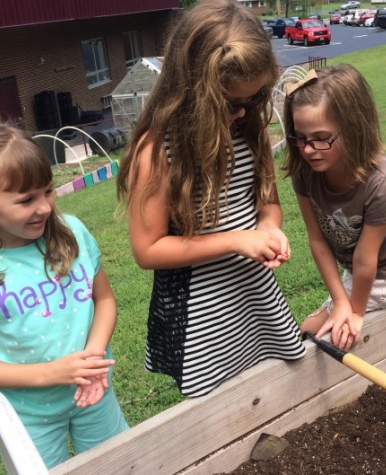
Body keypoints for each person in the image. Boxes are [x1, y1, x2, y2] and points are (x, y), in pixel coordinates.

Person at [116, 0, 306, 398]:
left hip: (253, 294)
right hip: (204, 313)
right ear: (192, 92)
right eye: (231, 103)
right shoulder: (156, 152)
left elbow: (268, 204)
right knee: (220, 407)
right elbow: (147, 250)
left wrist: (269, 229)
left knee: (275, 389)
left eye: (254, 100)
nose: (243, 112)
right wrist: (238, 240)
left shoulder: (248, 129)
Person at [0, 111, 128, 468]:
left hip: (95, 394)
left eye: (48, 191)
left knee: (118, 465)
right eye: (26, 200)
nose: (44, 207)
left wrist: (94, 356)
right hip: (28, 416)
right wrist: (51, 374)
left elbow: (104, 300)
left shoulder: (72, 234)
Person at [282, 65, 386, 352]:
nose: (308, 149)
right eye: (301, 137)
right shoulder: (305, 171)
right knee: (318, 327)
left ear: (354, 129)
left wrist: (354, 313)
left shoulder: (383, 182)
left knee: (316, 334)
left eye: (321, 137)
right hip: (357, 269)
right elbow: (317, 239)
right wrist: (339, 302)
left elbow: (365, 258)